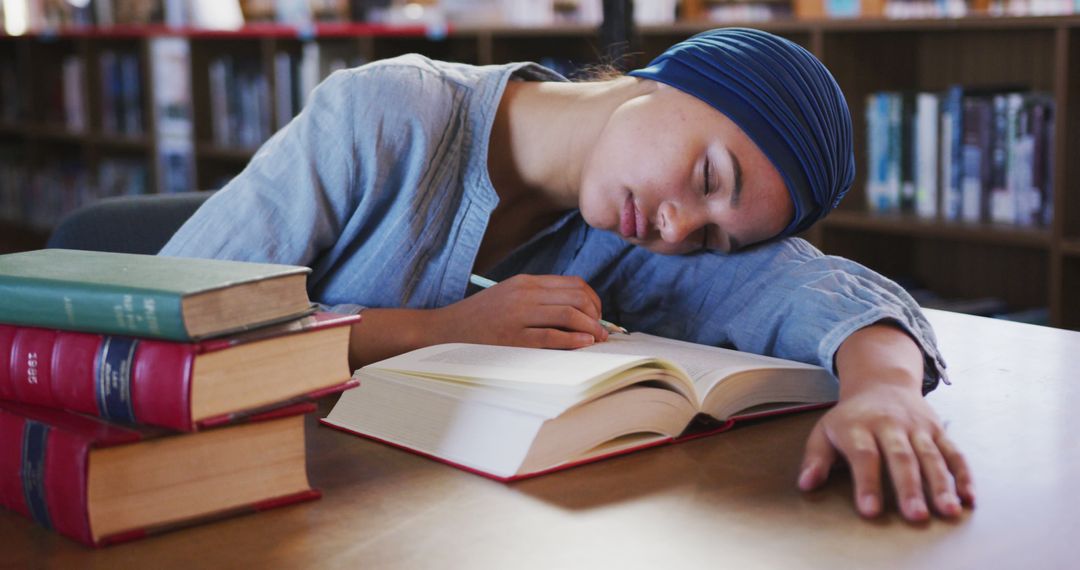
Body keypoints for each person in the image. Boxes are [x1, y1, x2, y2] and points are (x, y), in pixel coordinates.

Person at [160, 28, 973, 523]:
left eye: (716, 240)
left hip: (412, 523)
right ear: (673, 77)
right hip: (203, 492)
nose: (681, 229)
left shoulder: (635, 241)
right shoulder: (389, 113)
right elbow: (159, 312)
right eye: (711, 177)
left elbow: (817, 288)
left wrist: (883, 393)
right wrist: (435, 336)